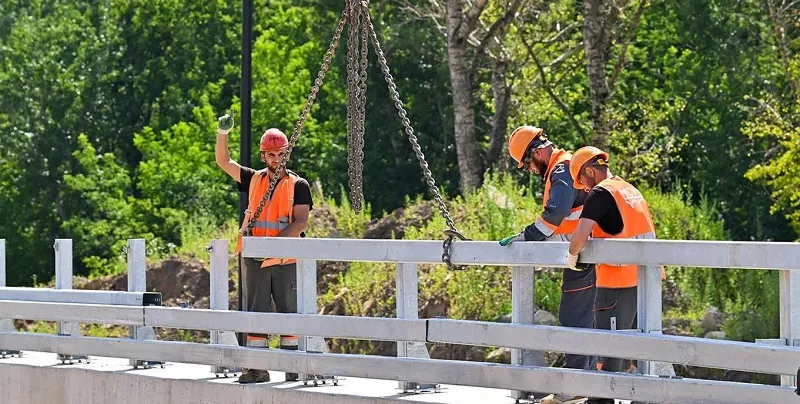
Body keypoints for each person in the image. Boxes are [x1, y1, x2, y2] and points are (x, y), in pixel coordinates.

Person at [499, 126, 596, 404]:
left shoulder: (562, 169)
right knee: (587, 318)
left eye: (528, 162)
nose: (529, 169)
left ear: (538, 151)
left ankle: (577, 386)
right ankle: (590, 384)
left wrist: (528, 236)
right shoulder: (563, 167)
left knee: (574, 318)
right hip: (584, 252)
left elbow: (556, 213)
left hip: (585, 254)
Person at [215, 114, 313, 384]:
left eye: (280, 153)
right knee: (255, 313)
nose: (275, 159)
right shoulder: (253, 179)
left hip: (284, 258)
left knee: (288, 312)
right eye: (270, 154)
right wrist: (222, 134)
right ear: (263, 156)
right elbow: (224, 162)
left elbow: (301, 221)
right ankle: (257, 368)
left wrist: (275, 244)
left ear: (287, 154)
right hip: (256, 258)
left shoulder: (298, 185)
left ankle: (292, 365)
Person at [565, 146, 663, 404]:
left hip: (616, 283)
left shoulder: (600, 193)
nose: (583, 189)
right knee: (641, 348)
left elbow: (579, 237)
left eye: (581, 182)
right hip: (646, 281)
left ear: (589, 171)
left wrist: (572, 257)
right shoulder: (629, 189)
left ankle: (600, 401)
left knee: (608, 352)